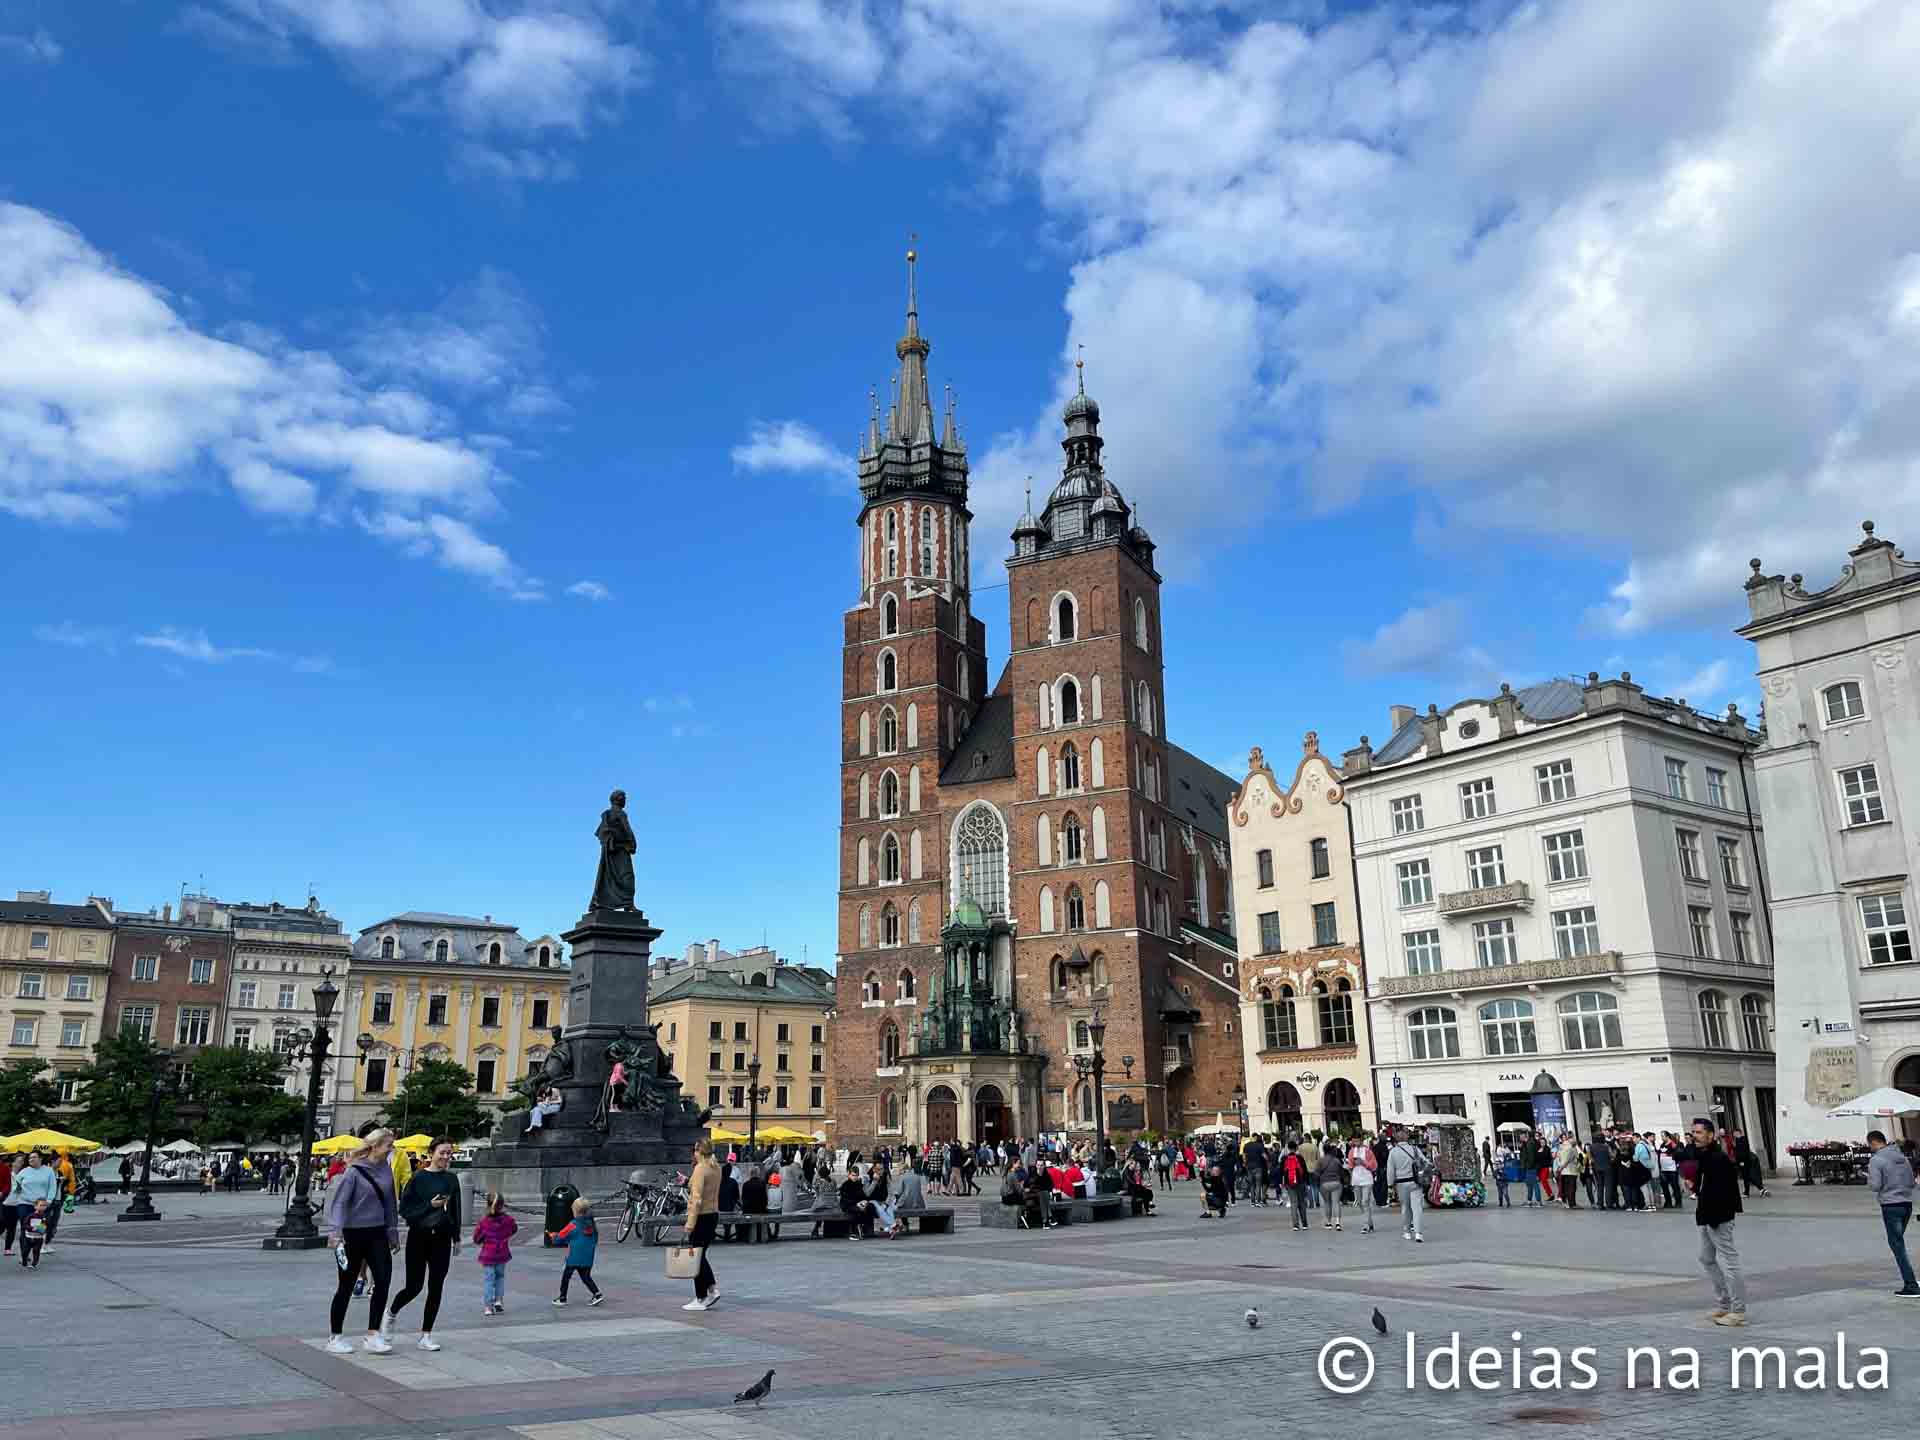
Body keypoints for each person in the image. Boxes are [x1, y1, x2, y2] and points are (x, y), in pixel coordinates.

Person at [324, 1130, 399, 1355]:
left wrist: (392, 1231)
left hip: (377, 1233)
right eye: (388, 1145)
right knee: (346, 1286)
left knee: (383, 1281)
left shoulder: (386, 1169)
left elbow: (390, 1203)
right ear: (374, 1146)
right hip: (352, 1234)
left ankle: (372, 1334)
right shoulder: (353, 1171)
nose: (391, 1149)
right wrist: (335, 1232)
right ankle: (335, 1336)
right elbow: (339, 1204)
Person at [385, 1139, 461, 1350]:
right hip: (419, 1236)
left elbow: (455, 1209)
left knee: (436, 1287)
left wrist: (456, 1237)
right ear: (431, 1153)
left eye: (449, 1153)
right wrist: (430, 1205)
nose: (446, 1157)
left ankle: (426, 1334)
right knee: (414, 1286)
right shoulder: (418, 1178)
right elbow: (406, 1211)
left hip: (442, 1238)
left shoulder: (452, 1179)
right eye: (442, 1153)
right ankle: (390, 1314)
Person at [1690, 1117, 1746, 1325]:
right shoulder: (1704, 1155)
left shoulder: (1718, 1158)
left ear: (1710, 1135)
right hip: (1706, 1215)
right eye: (1693, 1132)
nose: (1694, 1136)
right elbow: (1703, 1183)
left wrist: (1716, 1216)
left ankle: (1738, 1311)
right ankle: (1724, 1304)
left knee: (1730, 1262)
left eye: (1698, 1132)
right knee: (1706, 1258)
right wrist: (1694, 1188)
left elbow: (1726, 1191)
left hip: (1719, 1217)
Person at [1865, 1130, 1920, 1298]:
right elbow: (1911, 1182)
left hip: (1890, 1205)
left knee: (1897, 1245)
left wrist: (1868, 1177)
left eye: (1870, 1145)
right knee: (1898, 1243)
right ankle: (1912, 1281)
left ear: (1873, 1143)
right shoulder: (1902, 1158)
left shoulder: (1876, 1160)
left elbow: (1875, 1186)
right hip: (1906, 1204)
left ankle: (1911, 1284)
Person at [684, 1138, 721, 1311]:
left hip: (701, 1217)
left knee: (696, 1258)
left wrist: (690, 1224)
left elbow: (697, 1199)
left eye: (695, 1150)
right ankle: (711, 1289)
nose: (693, 1153)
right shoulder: (715, 1167)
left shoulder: (700, 1169)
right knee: (701, 1255)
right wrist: (686, 1181)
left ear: (699, 1151)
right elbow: (704, 1188)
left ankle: (701, 1297)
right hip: (712, 1215)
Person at [7, 1152, 60, 1267]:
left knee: (39, 1229)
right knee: (25, 1228)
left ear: (40, 1159)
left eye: (34, 1157)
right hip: (24, 1203)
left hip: (41, 1205)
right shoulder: (24, 1171)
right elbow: (15, 1186)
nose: (31, 1159)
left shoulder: (48, 1171)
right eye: (30, 1158)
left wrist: (49, 1201)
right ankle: (24, 1255)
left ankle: (36, 1253)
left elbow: (52, 1187)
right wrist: (17, 1188)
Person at [548, 1197, 603, 1306]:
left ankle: (562, 1297)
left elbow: (559, 1238)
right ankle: (597, 1293)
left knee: (566, 1277)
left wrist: (553, 1236)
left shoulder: (573, 1224)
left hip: (573, 1257)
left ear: (575, 1211)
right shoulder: (591, 1224)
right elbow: (594, 1239)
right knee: (586, 1277)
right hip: (588, 1256)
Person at [473, 1189, 517, 1316]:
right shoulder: (508, 1220)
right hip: (502, 1253)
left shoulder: (484, 1222)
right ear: (502, 1205)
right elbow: (514, 1229)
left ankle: (487, 1307)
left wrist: (483, 1239)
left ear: (488, 1204)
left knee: (489, 1280)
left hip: (488, 1254)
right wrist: (505, 1235)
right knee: (500, 1277)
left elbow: (477, 1238)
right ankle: (498, 1301)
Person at [1386, 1129, 1426, 1243]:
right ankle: (1418, 1233)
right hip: (1415, 1182)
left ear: (1396, 1139)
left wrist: (1390, 1184)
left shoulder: (1393, 1152)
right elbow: (1425, 1161)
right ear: (1407, 1138)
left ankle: (1407, 1232)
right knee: (1417, 1208)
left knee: (1405, 1207)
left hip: (1401, 1183)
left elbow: (1390, 1170)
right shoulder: (1415, 1149)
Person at [1347, 1137, 1377, 1233]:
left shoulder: (1368, 1151)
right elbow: (1350, 1165)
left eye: (1357, 1141)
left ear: (1361, 1140)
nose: (1356, 1143)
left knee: (1365, 1201)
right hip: (1356, 1179)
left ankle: (1365, 1226)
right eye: (1354, 1141)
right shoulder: (1351, 1151)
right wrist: (1352, 1165)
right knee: (1360, 1202)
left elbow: (1374, 1165)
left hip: (1367, 1178)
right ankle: (1370, 1222)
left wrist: (1363, 1163)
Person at [1316, 1140, 1346, 1231]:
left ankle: (1328, 1223)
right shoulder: (1336, 1160)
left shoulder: (1321, 1160)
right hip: (1336, 1183)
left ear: (1324, 1151)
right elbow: (1341, 1172)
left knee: (1327, 1203)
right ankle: (1337, 1223)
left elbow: (1316, 1172)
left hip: (1324, 1184)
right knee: (1336, 1202)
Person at [1279, 1142, 1309, 1229]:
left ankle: (1295, 1225)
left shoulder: (1284, 1158)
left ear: (1288, 1148)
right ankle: (1304, 1224)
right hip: (1300, 1182)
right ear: (1296, 1148)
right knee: (1302, 1203)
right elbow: (1305, 1170)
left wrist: (1281, 1183)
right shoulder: (1300, 1158)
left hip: (1289, 1183)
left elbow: (1281, 1171)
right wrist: (1307, 1182)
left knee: (1293, 1203)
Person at [1733, 1130, 1770, 1198]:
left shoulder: (1741, 1140)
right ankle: (1748, 1192)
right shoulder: (1741, 1140)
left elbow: (1742, 1152)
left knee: (1748, 1177)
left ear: (1738, 1133)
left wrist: (1741, 1162)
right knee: (1746, 1178)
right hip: (1745, 1162)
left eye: (1734, 1133)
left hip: (1744, 1162)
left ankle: (1761, 1190)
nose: (1733, 1134)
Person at [740, 1164, 771, 1243]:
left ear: (750, 1174)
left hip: (749, 1210)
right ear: (758, 1174)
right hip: (761, 1209)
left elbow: (743, 1199)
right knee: (764, 1216)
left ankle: (746, 1237)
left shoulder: (745, 1184)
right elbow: (765, 1198)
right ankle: (765, 1237)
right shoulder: (762, 1184)